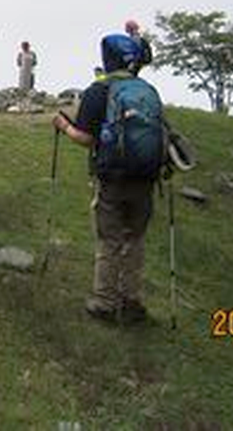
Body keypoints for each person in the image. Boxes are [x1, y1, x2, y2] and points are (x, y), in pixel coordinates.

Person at [52, 33, 162, 325]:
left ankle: (104, 301)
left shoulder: (99, 91)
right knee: (134, 239)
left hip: (112, 178)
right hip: (146, 179)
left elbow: (85, 138)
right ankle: (131, 301)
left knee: (109, 239)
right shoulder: (147, 90)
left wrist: (63, 126)